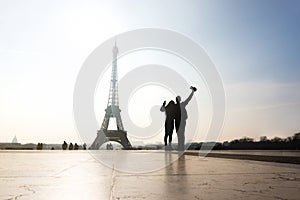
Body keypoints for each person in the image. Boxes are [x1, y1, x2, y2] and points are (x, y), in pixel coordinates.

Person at [175, 86, 197, 151]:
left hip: (181, 121)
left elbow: (189, 98)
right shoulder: (180, 105)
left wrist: (192, 92)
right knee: (180, 134)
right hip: (179, 121)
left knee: (180, 134)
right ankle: (181, 147)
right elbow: (189, 99)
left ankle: (181, 147)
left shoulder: (181, 105)